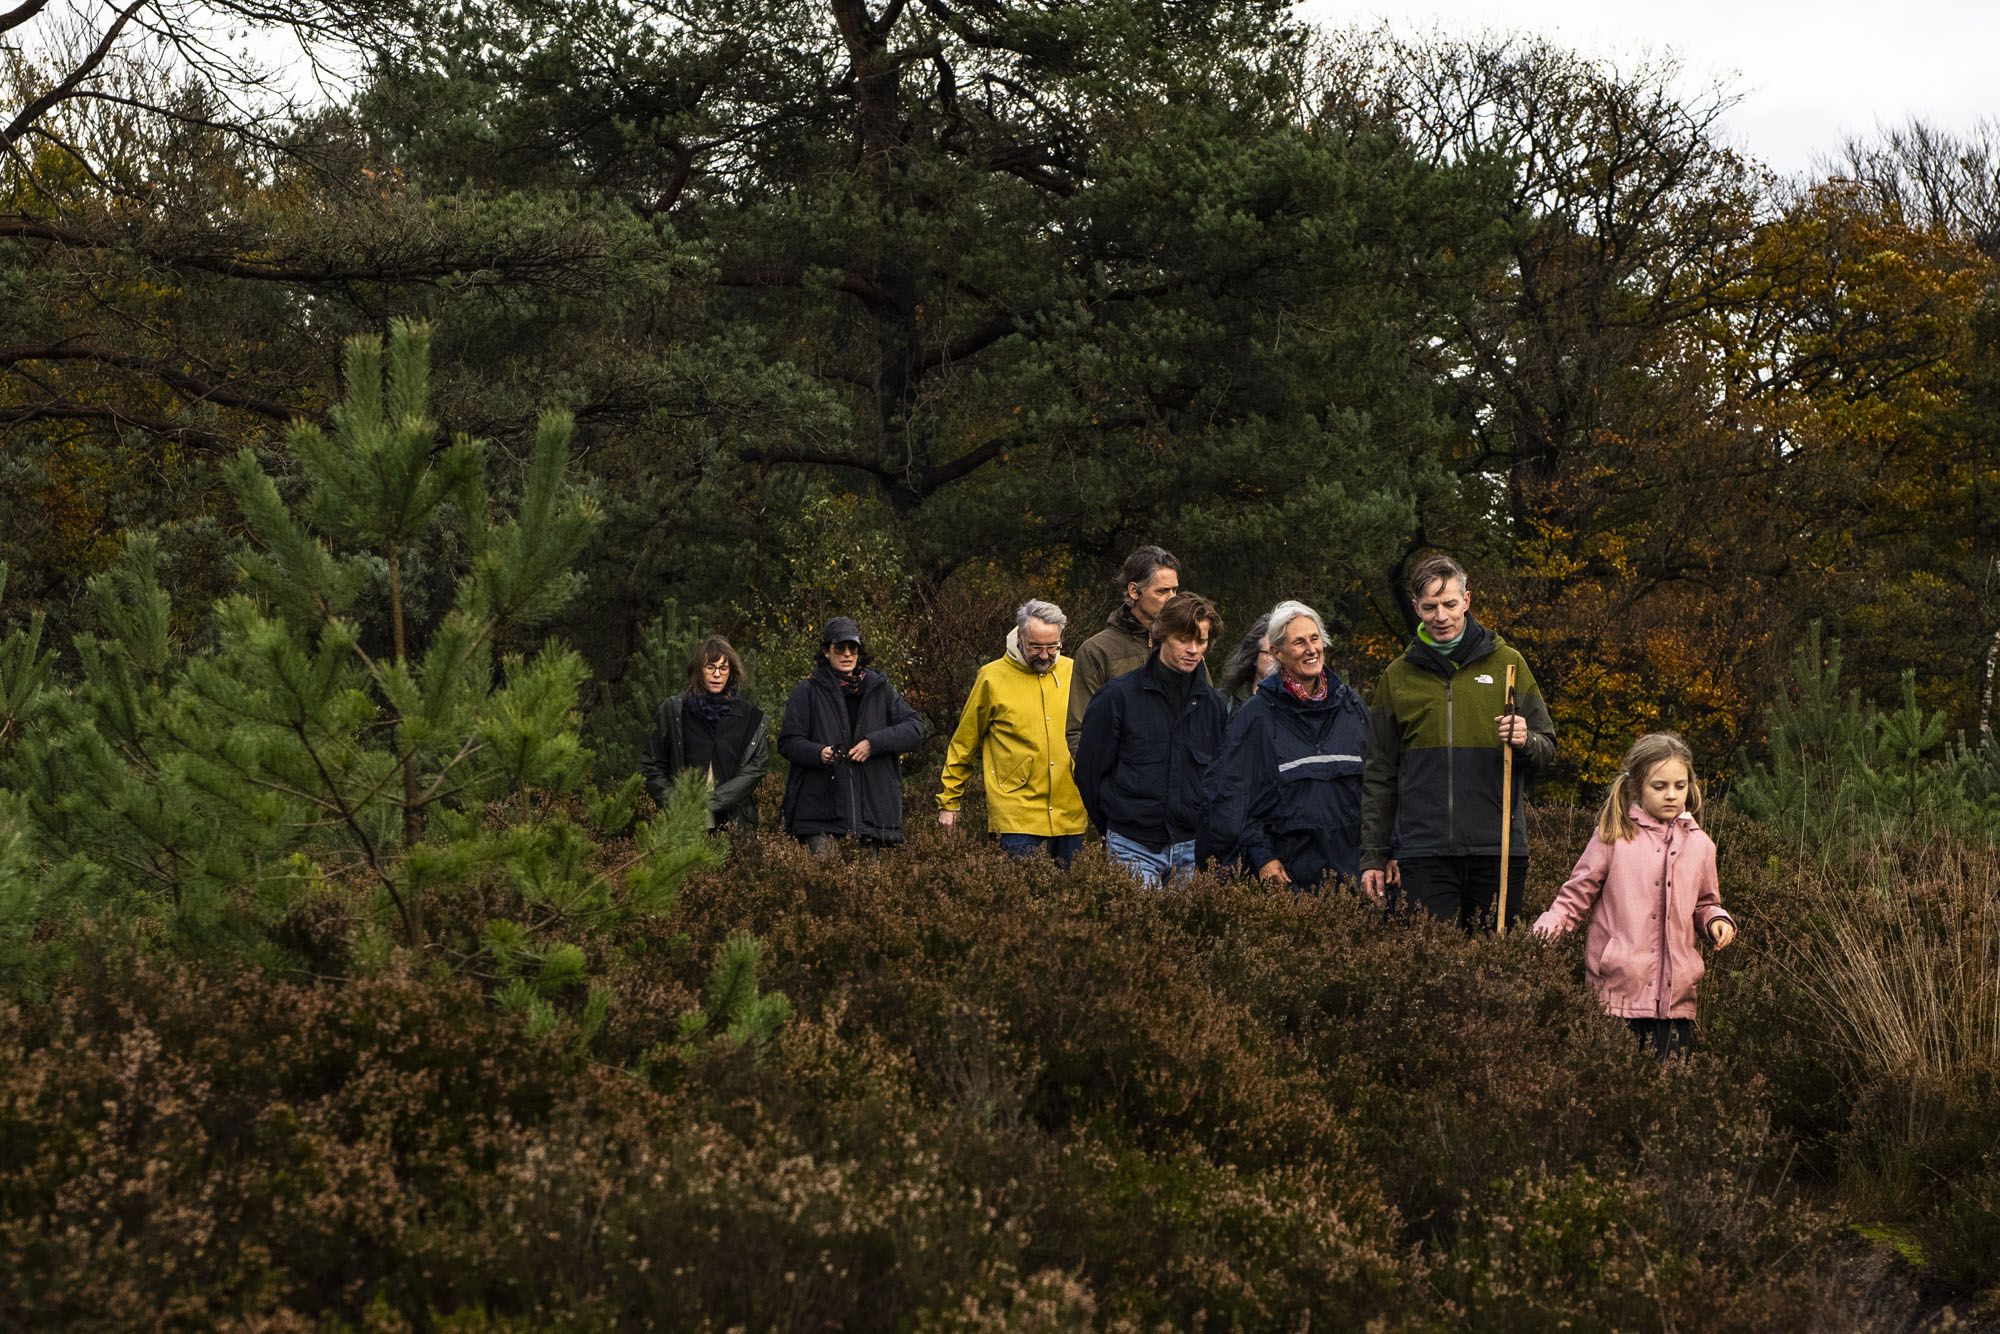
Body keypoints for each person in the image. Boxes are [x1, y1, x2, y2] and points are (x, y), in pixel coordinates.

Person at [1360, 553, 1556, 930]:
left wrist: (1526, 740)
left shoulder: (1509, 664)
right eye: (1430, 607)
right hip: (1423, 853)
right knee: (1431, 962)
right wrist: (1374, 855)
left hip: (1498, 850)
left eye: (1449, 604)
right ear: (1416, 607)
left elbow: (1546, 748)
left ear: (1466, 601)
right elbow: (1379, 774)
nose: (1441, 616)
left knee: (1494, 961)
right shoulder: (1396, 677)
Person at [1532, 733, 1736, 1059]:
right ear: (1637, 786)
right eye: (1659, 786)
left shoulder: (1701, 846)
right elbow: (1574, 898)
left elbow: (1705, 903)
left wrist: (1715, 921)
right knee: (1611, 1084)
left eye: (1680, 786)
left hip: (1676, 1002)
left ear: (1690, 786)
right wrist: (1538, 939)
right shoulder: (1613, 837)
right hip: (1616, 996)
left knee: (1671, 1086)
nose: (1671, 795)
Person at [1198, 600, 1370, 889]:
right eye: (1299, 642)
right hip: (1288, 882)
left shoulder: (1352, 709)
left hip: (1353, 878)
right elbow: (1232, 797)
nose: (1311, 649)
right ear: (1277, 652)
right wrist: (1261, 856)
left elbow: (1380, 787)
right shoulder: (1256, 716)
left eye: (1315, 639)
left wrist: (1385, 852)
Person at [1075, 593, 1227, 886]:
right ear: (1162, 635)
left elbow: (1219, 779)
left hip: (1192, 848)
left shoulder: (1213, 706)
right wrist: (1115, 825)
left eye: (1201, 641)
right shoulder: (1117, 697)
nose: (1193, 650)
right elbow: (1089, 772)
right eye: (1183, 639)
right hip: (1132, 845)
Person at [935, 600, 1089, 866]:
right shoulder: (991, 677)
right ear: (1020, 638)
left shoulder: (1074, 672)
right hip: (1016, 815)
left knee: (1074, 891)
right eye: (1036, 647)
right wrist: (949, 801)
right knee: (1019, 891)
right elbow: (964, 743)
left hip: (1070, 813)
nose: (1045, 655)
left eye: (1053, 647)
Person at [778, 616, 929, 853]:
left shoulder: (881, 689)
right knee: (823, 877)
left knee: (870, 879)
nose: (847, 654)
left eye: (853, 648)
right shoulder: (806, 692)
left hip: (872, 817)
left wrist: (873, 743)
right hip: (821, 817)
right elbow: (788, 742)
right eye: (840, 648)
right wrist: (819, 753)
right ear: (826, 652)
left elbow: (916, 728)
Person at [639, 635, 770, 831]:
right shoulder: (674, 710)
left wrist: (713, 801)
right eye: (710, 667)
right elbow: (652, 763)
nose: (717, 674)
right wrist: (674, 803)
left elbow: (756, 767)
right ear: (699, 670)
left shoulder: (750, 716)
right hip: (683, 825)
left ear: (731, 672)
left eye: (723, 668)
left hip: (734, 825)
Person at [1066, 545, 1180, 756]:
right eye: (1162, 591)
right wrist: (1105, 776)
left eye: (1175, 590)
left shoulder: (1183, 645)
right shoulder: (1096, 651)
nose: (1172, 599)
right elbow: (1080, 732)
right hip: (1121, 773)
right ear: (1134, 591)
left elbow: (1205, 714)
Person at [1216, 612, 1274, 712]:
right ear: (1254, 657)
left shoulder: (1298, 706)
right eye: (1271, 653)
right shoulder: (1223, 703)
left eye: (1284, 653)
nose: (1279, 659)